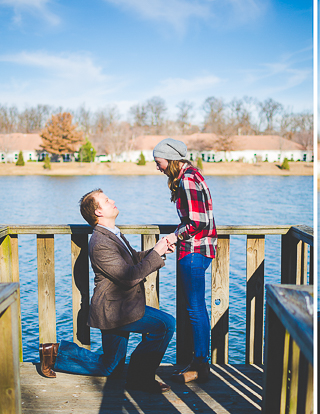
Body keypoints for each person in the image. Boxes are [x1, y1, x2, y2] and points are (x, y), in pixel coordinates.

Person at [38, 189, 177, 393]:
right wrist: (155, 254)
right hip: (115, 310)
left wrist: (157, 251)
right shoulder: (101, 242)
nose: (112, 201)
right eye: (106, 200)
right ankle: (140, 379)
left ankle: (55, 354)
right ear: (98, 212)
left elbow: (132, 261)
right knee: (165, 325)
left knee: (109, 366)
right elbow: (128, 277)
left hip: (121, 306)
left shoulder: (113, 233)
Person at [153, 138, 217, 383]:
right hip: (197, 248)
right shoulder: (189, 175)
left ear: (170, 159)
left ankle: (201, 365)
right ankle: (199, 363)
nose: (157, 167)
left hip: (194, 249)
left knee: (195, 308)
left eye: (159, 162)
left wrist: (173, 236)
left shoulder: (188, 179)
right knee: (195, 307)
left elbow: (198, 222)